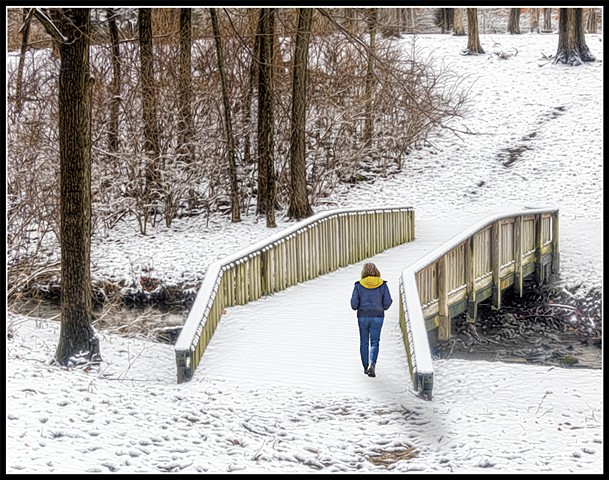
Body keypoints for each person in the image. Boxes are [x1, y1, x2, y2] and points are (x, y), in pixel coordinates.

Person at [350, 262, 393, 377]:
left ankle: (365, 366)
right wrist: (382, 307)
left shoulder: (358, 285)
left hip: (363, 316)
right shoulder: (382, 285)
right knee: (375, 342)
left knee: (364, 342)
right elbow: (388, 302)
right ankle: (372, 364)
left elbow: (354, 304)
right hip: (378, 316)